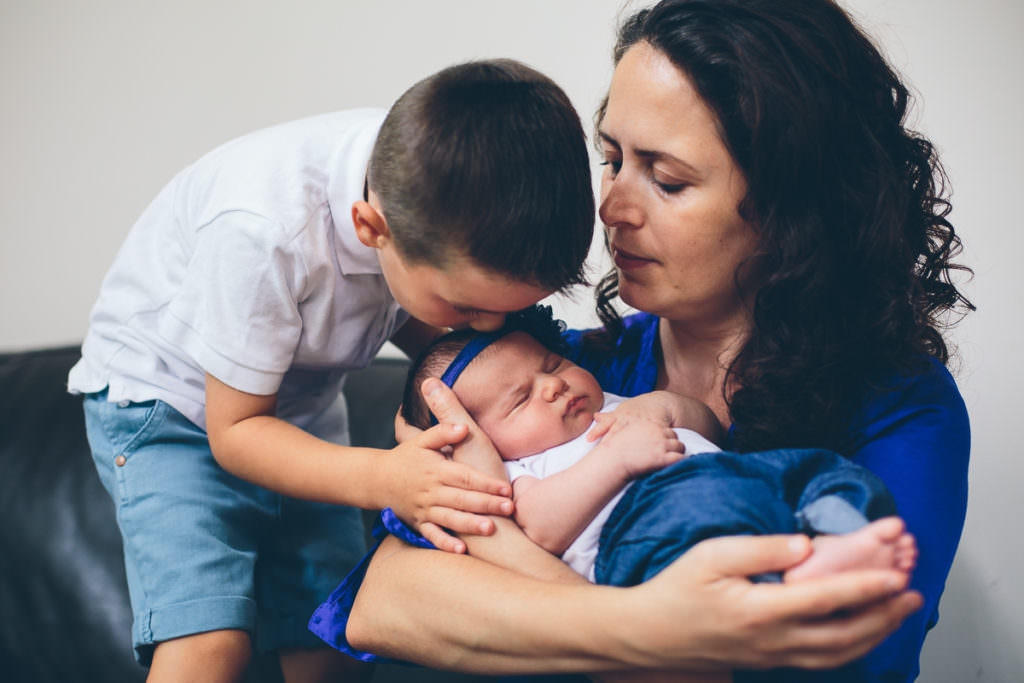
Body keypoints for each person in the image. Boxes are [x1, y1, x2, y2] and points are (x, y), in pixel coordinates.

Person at [342, 1, 972, 681]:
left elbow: (851, 654)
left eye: (666, 179)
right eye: (611, 159)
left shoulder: (900, 406)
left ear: (795, 206)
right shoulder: (559, 377)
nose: (611, 208)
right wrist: (646, 627)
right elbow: (382, 603)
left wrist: (518, 580)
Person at [67, 59, 595, 681]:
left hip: (294, 407)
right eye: (467, 309)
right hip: (166, 410)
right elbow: (235, 433)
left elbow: (430, 329)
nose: (482, 329)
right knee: (209, 641)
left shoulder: (424, 193)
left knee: (330, 629)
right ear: (371, 230)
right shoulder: (264, 233)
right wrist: (387, 477)